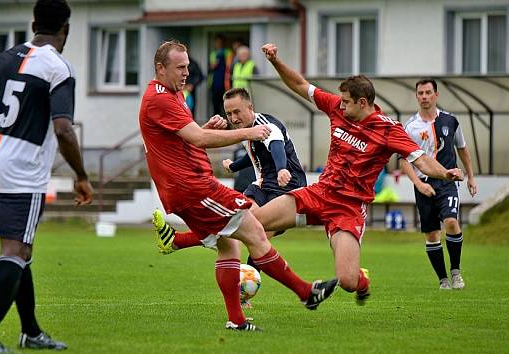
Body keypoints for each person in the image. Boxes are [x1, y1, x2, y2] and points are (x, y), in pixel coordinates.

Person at [141, 40, 337, 332]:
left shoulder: (172, 95)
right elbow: (199, 140)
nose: (186, 72)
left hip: (187, 186)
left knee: (229, 244)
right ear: (160, 68)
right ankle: (306, 293)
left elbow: (185, 139)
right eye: (180, 67)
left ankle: (236, 320)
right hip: (193, 187)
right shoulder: (161, 99)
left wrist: (205, 129)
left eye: (187, 66)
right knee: (255, 232)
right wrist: (247, 131)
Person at [247, 43, 464, 306]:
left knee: (348, 282)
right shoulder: (338, 107)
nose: (341, 106)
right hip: (320, 193)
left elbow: (423, 161)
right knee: (253, 222)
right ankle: (299, 289)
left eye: (347, 102)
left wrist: (445, 174)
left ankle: (362, 280)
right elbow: (300, 85)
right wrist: (275, 61)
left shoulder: (389, 131)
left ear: (363, 103)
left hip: (348, 208)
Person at [0, 0, 93, 351]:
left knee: (23, 248)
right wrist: (81, 175)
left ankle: (31, 332)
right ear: (66, 28)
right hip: (24, 170)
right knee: (15, 251)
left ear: (33, 23)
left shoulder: (3, 59)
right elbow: (63, 129)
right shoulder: (59, 67)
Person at [400, 78, 477, 290]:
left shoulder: (450, 121)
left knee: (452, 222)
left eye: (427, 92)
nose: (424, 97)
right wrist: (417, 183)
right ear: (416, 97)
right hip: (424, 184)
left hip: (448, 182)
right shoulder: (410, 126)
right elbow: (403, 160)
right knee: (432, 234)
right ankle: (443, 280)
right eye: (420, 93)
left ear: (436, 95)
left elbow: (462, 148)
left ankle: (456, 271)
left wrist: (470, 176)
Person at [208, 35, 232, 116]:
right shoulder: (213, 53)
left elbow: (230, 65)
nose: (218, 44)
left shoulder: (228, 52)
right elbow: (211, 66)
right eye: (217, 42)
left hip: (225, 82)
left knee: (225, 103)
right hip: (215, 82)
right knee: (215, 103)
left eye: (220, 42)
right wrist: (214, 64)